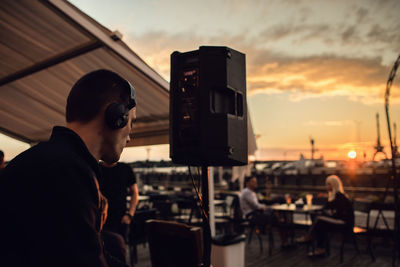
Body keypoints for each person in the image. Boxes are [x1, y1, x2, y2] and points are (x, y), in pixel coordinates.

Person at [0, 69, 136, 267]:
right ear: (115, 116)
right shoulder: (67, 172)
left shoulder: (52, 159)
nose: (130, 136)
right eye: (131, 123)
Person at [296, 175, 354, 257]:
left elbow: (339, 213)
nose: (326, 186)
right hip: (339, 220)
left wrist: (325, 213)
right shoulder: (334, 196)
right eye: (326, 184)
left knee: (320, 221)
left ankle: (311, 239)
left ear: (334, 185)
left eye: (328, 184)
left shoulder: (339, 196)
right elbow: (327, 209)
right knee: (318, 220)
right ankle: (317, 244)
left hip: (344, 223)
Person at [99, 161, 139, 262]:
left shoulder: (125, 168)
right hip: (100, 222)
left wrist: (130, 215)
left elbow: (134, 193)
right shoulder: (96, 167)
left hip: (121, 220)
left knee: (119, 255)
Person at [240, 176, 288, 247]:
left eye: (256, 181)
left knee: (277, 216)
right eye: (253, 181)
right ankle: (283, 239)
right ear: (247, 183)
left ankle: (283, 239)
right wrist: (268, 207)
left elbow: (258, 205)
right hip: (252, 216)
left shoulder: (250, 192)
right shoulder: (247, 192)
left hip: (255, 214)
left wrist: (267, 207)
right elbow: (256, 206)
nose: (256, 183)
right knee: (278, 218)